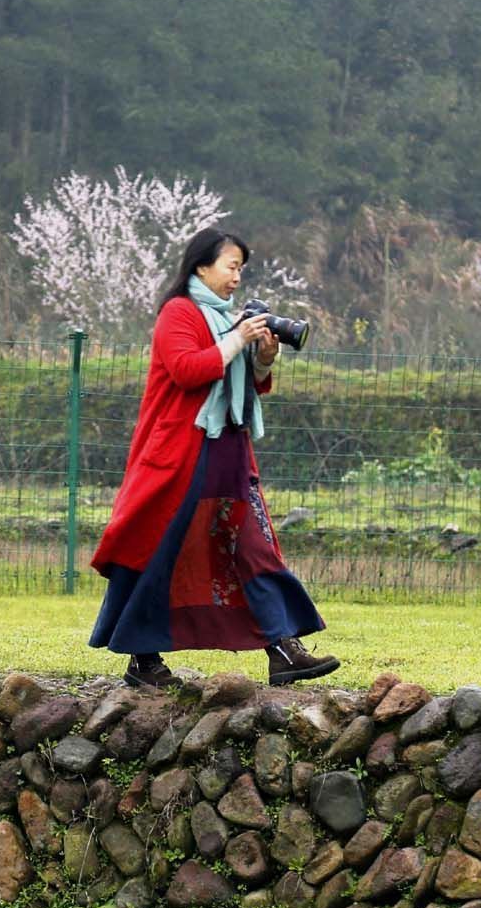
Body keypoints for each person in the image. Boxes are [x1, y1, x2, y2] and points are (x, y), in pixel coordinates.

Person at [87, 227, 340, 689]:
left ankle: (283, 647)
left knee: (252, 546)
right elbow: (188, 370)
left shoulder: (228, 317)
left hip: (229, 450)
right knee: (160, 548)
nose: (237, 277)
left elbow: (249, 383)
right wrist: (239, 339)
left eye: (241, 268)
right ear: (201, 266)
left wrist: (263, 357)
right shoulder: (177, 314)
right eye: (231, 266)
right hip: (180, 457)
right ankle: (143, 660)